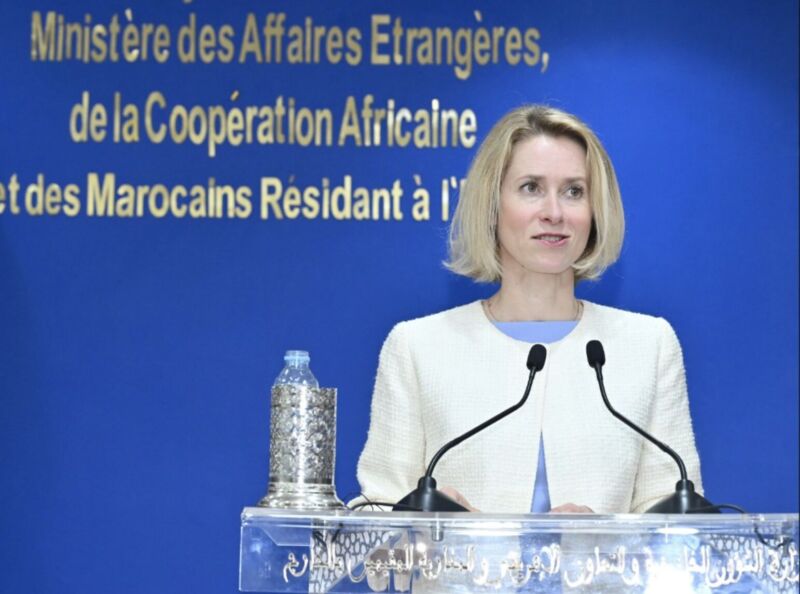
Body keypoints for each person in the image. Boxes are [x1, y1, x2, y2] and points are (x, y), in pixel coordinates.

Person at [355, 105, 703, 514]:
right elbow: (375, 520)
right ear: (492, 204)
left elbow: (679, 527)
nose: (554, 212)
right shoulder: (418, 347)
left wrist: (604, 538)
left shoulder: (648, 345)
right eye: (531, 187)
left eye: (574, 191)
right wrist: (437, 530)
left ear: (596, 211)